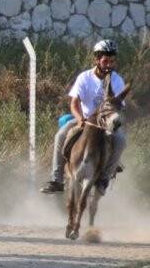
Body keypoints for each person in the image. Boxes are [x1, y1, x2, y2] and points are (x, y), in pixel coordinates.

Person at [40, 39, 127, 196]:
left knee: (121, 140)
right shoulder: (84, 78)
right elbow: (74, 103)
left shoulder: (117, 80)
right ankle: (56, 180)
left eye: (112, 61)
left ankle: (104, 179)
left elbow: (119, 105)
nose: (109, 64)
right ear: (97, 59)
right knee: (60, 135)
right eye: (106, 60)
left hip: (107, 122)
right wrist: (80, 119)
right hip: (85, 119)